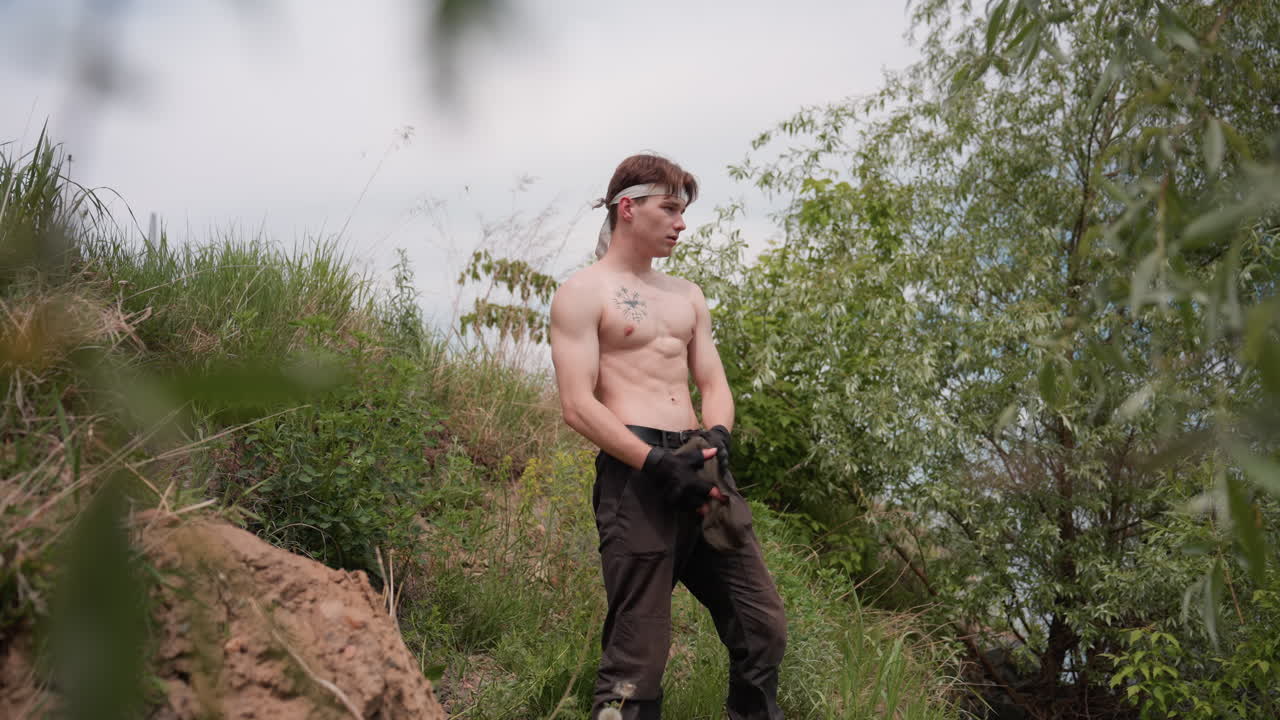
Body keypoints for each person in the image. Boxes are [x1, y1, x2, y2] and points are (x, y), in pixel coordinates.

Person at [549, 154, 787, 720]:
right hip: (637, 475)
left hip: (703, 467)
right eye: (670, 208)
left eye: (684, 210)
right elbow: (577, 405)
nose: (681, 223)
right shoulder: (584, 293)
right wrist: (656, 463)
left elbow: (713, 380)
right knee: (639, 654)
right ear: (628, 208)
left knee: (763, 627)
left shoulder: (687, 294)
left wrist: (719, 436)